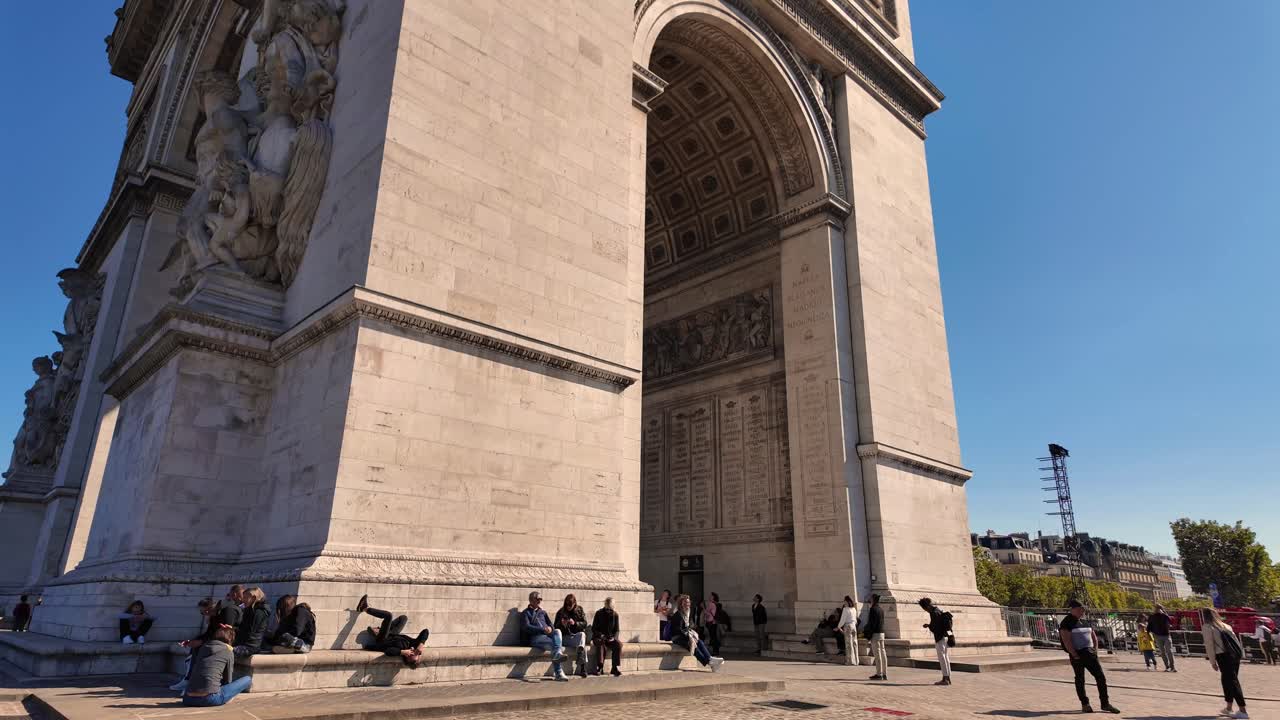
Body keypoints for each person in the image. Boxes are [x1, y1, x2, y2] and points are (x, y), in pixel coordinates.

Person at [1059, 600, 1120, 714]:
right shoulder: (1066, 623)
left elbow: (1093, 636)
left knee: (1101, 677)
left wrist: (1095, 650)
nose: (1082, 611)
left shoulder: (1085, 621)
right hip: (1078, 655)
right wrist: (1074, 654)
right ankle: (1085, 703)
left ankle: (1105, 703)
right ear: (1072, 609)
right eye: (1079, 609)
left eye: (1083, 609)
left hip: (1090, 654)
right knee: (1080, 679)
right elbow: (1066, 640)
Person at [182, 624, 252, 707]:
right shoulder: (228, 650)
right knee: (247, 679)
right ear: (231, 639)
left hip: (187, 699)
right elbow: (228, 678)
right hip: (209, 699)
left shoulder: (203, 647)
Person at [355, 594, 429, 668]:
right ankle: (379, 630)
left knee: (388, 616)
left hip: (382, 639)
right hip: (393, 634)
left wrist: (401, 652)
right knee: (403, 618)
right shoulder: (414, 645)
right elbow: (425, 631)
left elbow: (388, 652)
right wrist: (421, 644)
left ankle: (364, 608)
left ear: (407, 657)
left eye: (412, 655)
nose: (413, 652)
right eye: (416, 654)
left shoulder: (398, 651)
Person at [1202, 608, 1248, 718]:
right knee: (1227, 680)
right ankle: (1229, 707)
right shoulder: (1226, 625)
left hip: (1223, 656)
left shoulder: (1208, 627)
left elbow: (1209, 645)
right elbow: (1236, 640)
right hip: (1234, 655)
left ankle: (1242, 710)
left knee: (1232, 681)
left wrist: (1212, 662)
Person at [170, 598, 216, 693]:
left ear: (211, 608)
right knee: (192, 655)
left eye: (205, 612)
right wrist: (192, 641)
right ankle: (187, 680)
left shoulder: (217, 617)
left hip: (218, 644)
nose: (205, 615)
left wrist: (199, 642)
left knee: (196, 653)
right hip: (210, 642)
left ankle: (188, 681)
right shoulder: (212, 618)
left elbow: (215, 635)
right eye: (202, 613)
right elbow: (207, 634)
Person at [521, 591, 568, 681]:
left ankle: (558, 657)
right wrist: (542, 630)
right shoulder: (526, 613)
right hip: (535, 638)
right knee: (557, 647)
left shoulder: (543, 612)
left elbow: (552, 625)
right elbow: (526, 627)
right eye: (537, 599)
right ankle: (559, 673)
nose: (539, 601)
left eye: (540, 599)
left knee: (557, 632)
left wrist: (550, 628)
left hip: (547, 637)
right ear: (531, 600)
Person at [670, 594, 723, 672]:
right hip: (677, 637)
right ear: (682, 604)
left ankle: (710, 660)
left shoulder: (686, 613)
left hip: (683, 636)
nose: (688, 604)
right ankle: (710, 662)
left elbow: (686, 627)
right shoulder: (678, 615)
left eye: (689, 603)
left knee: (699, 641)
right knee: (692, 643)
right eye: (686, 603)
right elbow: (678, 630)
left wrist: (691, 633)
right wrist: (689, 636)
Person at [555, 594, 591, 678]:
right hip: (566, 637)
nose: (568, 607)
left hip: (576, 637)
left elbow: (585, 624)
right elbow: (555, 628)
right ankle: (583, 668)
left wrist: (575, 623)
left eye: (570, 605)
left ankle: (580, 651)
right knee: (582, 646)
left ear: (574, 603)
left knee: (582, 635)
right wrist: (562, 625)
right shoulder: (561, 612)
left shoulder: (579, 610)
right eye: (567, 605)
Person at [919, 598, 954, 686]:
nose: (925, 610)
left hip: (940, 638)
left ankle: (945, 678)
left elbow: (936, 627)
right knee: (946, 657)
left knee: (942, 658)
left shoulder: (933, 613)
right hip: (945, 637)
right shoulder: (938, 610)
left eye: (924, 608)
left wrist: (929, 626)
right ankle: (947, 677)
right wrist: (930, 625)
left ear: (926, 606)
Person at [590, 597, 623, 676]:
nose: (609, 611)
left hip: (610, 638)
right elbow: (594, 628)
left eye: (610, 609)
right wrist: (601, 635)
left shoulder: (615, 615)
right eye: (607, 609)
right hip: (599, 637)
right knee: (601, 645)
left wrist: (614, 638)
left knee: (618, 645)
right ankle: (600, 667)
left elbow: (617, 630)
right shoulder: (599, 613)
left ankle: (614, 667)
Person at [234, 587, 270, 656]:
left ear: (253, 598)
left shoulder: (259, 612)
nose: (243, 600)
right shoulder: (249, 610)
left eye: (245, 598)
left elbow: (250, 632)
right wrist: (232, 628)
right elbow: (243, 628)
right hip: (244, 643)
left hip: (251, 646)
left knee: (224, 652)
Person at [1146, 604, 1176, 672]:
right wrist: (1148, 635)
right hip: (1157, 636)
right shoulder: (1152, 617)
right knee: (1162, 652)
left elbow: (1170, 621)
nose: (1157, 609)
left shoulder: (1164, 616)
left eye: (1159, 608)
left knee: (1169, 651)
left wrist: (1164, 613)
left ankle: (1172, 667)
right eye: (1156, 608)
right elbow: (1149, 627)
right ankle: (1167, 666)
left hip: (1166, 635)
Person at [865, 594, 888, 680]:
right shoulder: (881, 609)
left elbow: (871, 624)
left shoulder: (873, 609)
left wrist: (868, 635)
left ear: (873, 600)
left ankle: (879, 674)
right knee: (883, 653)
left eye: (870, 598)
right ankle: (884, 673)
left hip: (875, 634)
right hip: (882, 633)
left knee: (877, 654)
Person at [838, 596, 859, 665]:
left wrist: (838, 626)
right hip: (854, 626)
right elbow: (856, 620)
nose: (844, 602)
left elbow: (843, 620)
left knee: (848, 644)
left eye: (844, 601)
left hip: (848, 626)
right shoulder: (854, 609)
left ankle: (850, 661)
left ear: (846, 601)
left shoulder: (845, 609)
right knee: (855, 644)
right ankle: (856, 660)